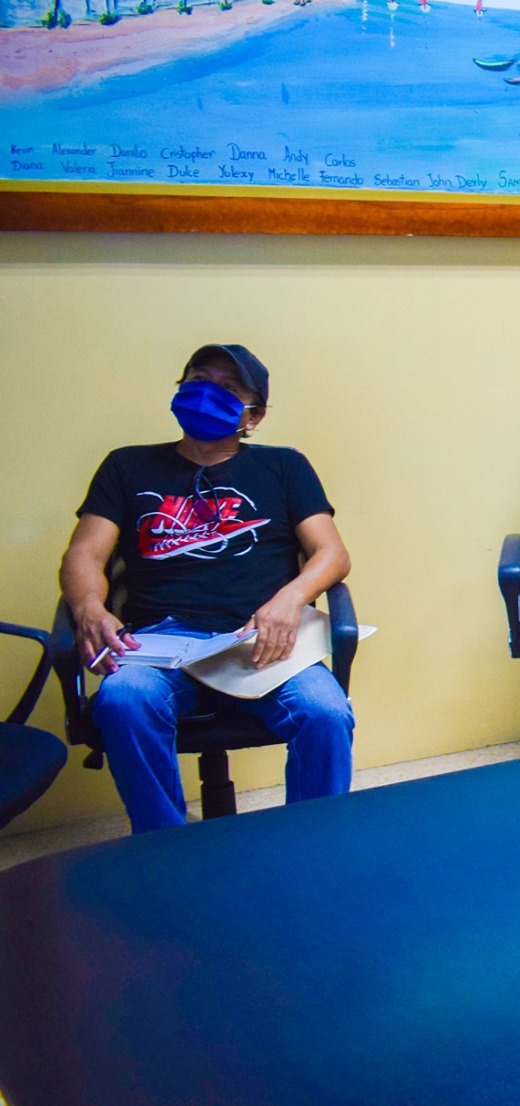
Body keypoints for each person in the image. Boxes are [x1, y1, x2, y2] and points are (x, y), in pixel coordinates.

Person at [59, 344, 354, 834]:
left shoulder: (284, 467)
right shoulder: (126, 466)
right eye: (198, 379)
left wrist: (288, 600)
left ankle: (311, 845)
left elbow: (332, 554)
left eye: (228, 388)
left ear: (253, 415)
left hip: (259, 641)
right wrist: (89, 606)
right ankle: (166, 848)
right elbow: (85, 553)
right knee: (123, 700)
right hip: (161, 640)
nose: (206, 393)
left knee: (325, 712)